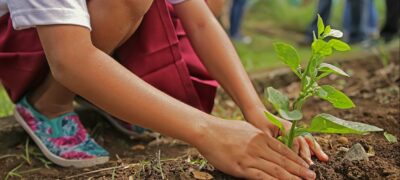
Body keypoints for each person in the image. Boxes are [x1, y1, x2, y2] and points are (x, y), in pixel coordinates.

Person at [0, 0, 328, 179]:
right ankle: (48, 104)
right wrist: (209, 132)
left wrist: (254, 108)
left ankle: (103, 92)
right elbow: (70, 59)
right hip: (30, 43)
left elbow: (199, 21)